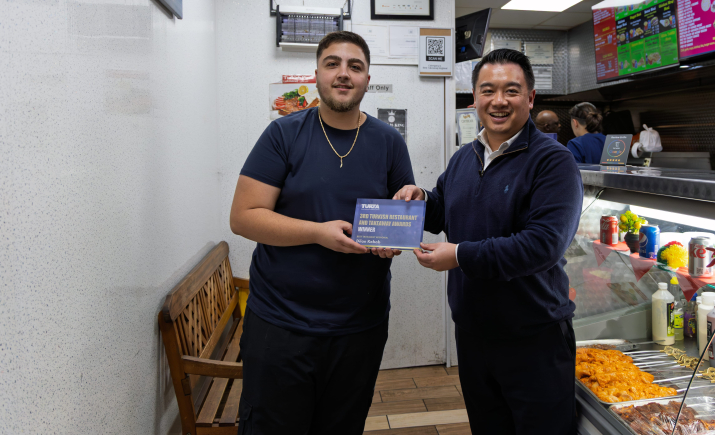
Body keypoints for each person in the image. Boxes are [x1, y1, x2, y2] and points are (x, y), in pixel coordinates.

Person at [229, 31, 414, 434]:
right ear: (317, 75)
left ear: (367, 79)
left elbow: (400, 215)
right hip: (280, 325)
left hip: (359, 328)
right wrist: (317, 233)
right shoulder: (283, 134)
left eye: (355, 66)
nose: (343, 73)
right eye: (333, 64)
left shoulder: (389, 142)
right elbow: (243, 217)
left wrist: (398, 230)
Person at [393, 48, 583, 435]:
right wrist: (420, 199)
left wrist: (460, 255)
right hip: (473, 335)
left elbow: (542, 245)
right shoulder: (465, 157)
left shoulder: (554, 161)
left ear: (530, 98)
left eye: (511, 90)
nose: (499, 101)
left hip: (534, 338)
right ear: (475, 98)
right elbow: (444, 211)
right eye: (488, 90)